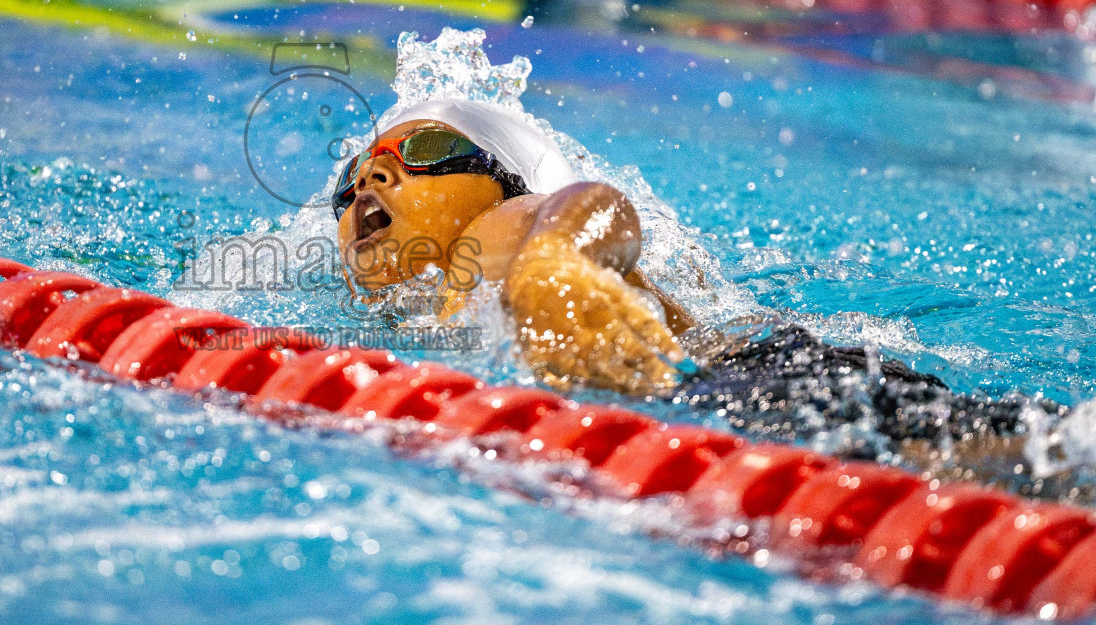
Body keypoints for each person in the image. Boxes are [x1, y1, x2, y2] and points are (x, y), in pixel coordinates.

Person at [331, 98, 1060, 468]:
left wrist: (556, 264)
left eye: (422, 150)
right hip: (710, 407)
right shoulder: (418, 324)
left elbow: (590, 206)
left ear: (501, 177)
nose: (374, 175)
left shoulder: (499, 228)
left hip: (751, 380)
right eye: (351, 181)